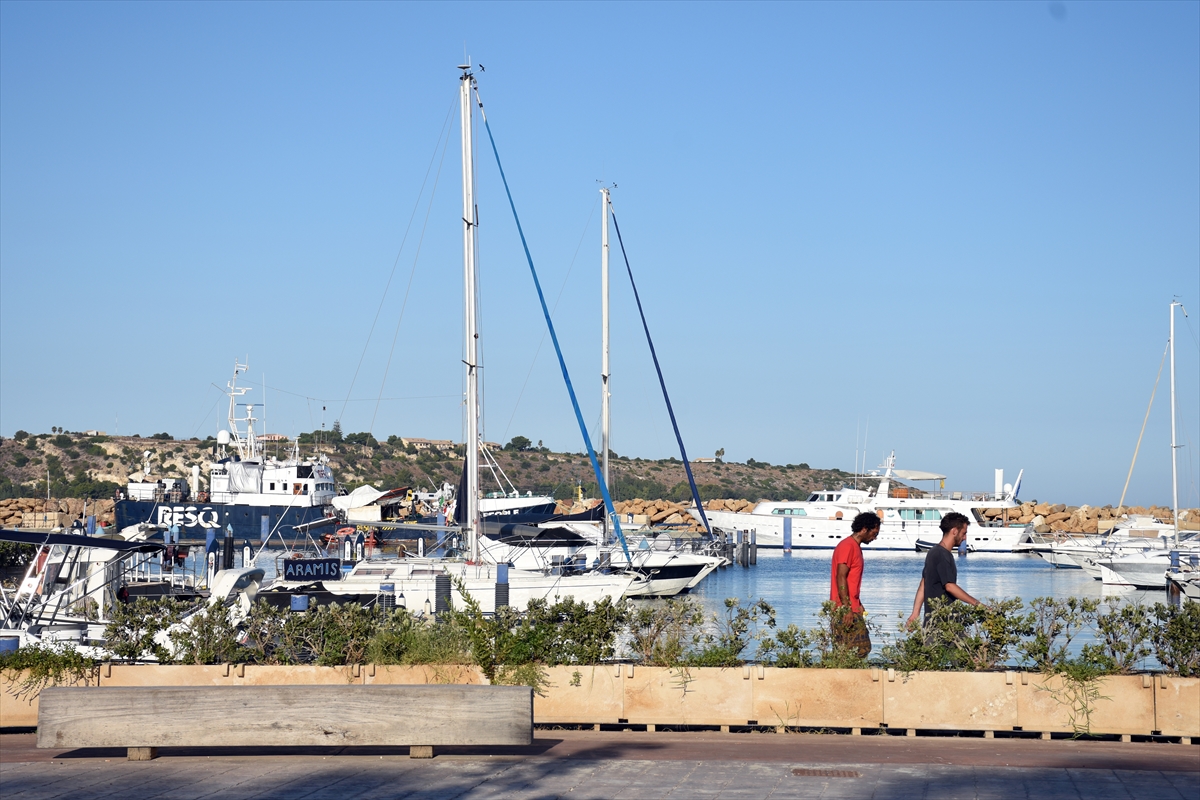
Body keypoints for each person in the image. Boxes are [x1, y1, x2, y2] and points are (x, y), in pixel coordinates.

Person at [907, 511, 980, 623]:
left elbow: (923, 583)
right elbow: (950, 586)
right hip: (944, 624)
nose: (965, 538)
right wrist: (978, 604)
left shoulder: (933, 552)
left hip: (933, 623)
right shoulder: (942, 555)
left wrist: (915, 613)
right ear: (954, 531)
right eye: (963, 533)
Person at [829, 511, 881, 656]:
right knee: (855, 650)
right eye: (874, 533)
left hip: (852, 607)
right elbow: (841, 576)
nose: (875, 538)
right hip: (844, 609)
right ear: (864, 528)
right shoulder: (848, 546)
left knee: (857, 650)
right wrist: (846, 608)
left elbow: (851, 581)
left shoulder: (855, 547)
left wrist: (858, 602)